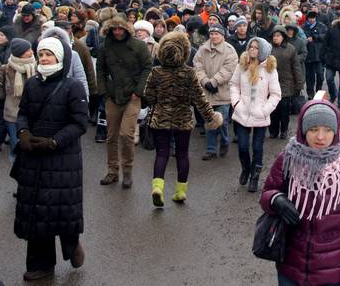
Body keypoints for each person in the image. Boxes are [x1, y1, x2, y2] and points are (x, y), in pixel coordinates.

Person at [260, 100, 340, 286]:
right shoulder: (288, 159)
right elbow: (266, 195)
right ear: (304, 130)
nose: (321, 137)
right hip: (290, 267)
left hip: (331, 271)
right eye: (313, 129)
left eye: (328, 130)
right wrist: (275, 199)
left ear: (335, 131)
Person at [13, 36, 88, 281]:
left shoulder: (73, 86)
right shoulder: (33, 83)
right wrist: (23, 132)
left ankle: (71, 243)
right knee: (37, 209)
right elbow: (23, 111)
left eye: (49, 54)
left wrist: (55, 141)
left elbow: (79, 123)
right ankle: (41, 264)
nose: (44, 58)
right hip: (34, 153)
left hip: (62, 157)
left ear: (60, 57)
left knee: (60, 209)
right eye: (41, 54)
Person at [143, 32, 223, 207]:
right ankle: (180, 192)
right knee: (182, 154)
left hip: (160, 119)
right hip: (183, 120)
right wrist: (211, 117)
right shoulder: (189, 73)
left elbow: (148, 97)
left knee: (162, 153)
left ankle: (157, 187)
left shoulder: (156, 72)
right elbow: (199, 99)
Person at [95, 14, 152, 188]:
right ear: (110, 30)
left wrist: (138, 91)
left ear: (127, 30)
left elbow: (147, 67)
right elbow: (101, 69)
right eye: (115, 29)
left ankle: (127, 171)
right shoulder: (105, 47)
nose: (118, 32)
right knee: (111, 136)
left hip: (132, 95)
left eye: (121, 29)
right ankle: (113, 171)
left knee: (126, 134)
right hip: (113, 95)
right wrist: (104, 92)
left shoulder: (138, 46)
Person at [230, 37, 280, 193]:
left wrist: (264, 110)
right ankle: (245, 168)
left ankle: (254, 177)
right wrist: (237, 104)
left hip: (260, 115)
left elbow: (276, 94)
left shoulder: (270, 69)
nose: (252, 49)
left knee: (257, 148)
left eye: (256, 47)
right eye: (250, 46)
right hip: (242, 114)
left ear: (262, 51)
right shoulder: (242, 65)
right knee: (243, 147)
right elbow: (233, 85)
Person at [193, 24, 239, 160]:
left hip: (223, 92)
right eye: (211, 34)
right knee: (210, 121)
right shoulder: (202, 49)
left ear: (222, 36)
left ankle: (224, 141)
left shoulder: (229, 50)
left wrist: (214, 81)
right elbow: (197, 65)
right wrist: (205, 81)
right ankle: (211, 149)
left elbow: (229, 68)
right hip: (206, 92)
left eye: (216, 34)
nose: (213, 36)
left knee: (222, 121)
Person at [0, 38, 36, 160]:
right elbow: (1, 93)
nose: (31, 52)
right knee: (15, 143)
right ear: (20, 53)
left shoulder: (37, 67)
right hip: (11, 112)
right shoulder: (6, 69)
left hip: (30, 112)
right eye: (28, 50)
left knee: (27, 142)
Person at [269, 25, 303, 140]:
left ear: (283, 36)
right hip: (271, 83)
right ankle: (273, 130)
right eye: (274, 35)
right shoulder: (269, 49)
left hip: (286, 83)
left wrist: (299, 84)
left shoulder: (290, 49)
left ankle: (284, 130)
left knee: (284, 109)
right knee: (273, 109)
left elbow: (296, 67)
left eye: (278, 36)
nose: (275, 38)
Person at [301, 10, 327, 98]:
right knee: (309, 77)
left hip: (319, 55)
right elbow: (301, 38)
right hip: (308, 55)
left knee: (320, 75)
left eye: (313, 18)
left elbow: (326, 36)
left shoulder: (322, 26)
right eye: (310, 18)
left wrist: (316, 37)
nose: (311, 20)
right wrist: (306, 40)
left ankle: (318, 91)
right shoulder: (304, 27)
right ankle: (310, 93)